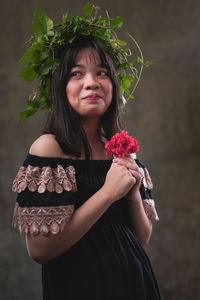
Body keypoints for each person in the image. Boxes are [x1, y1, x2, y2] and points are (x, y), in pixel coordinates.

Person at [12, 5, 161, 300]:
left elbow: (140, 238)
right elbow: (40, 251)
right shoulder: (49, 148)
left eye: (101, 72)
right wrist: (107, 193)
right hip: (80, 287)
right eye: (76, 73)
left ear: (113, 84)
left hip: (136, 285)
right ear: (60, 87)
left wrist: (131, 194)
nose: (91, 82)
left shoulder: (120, 148)